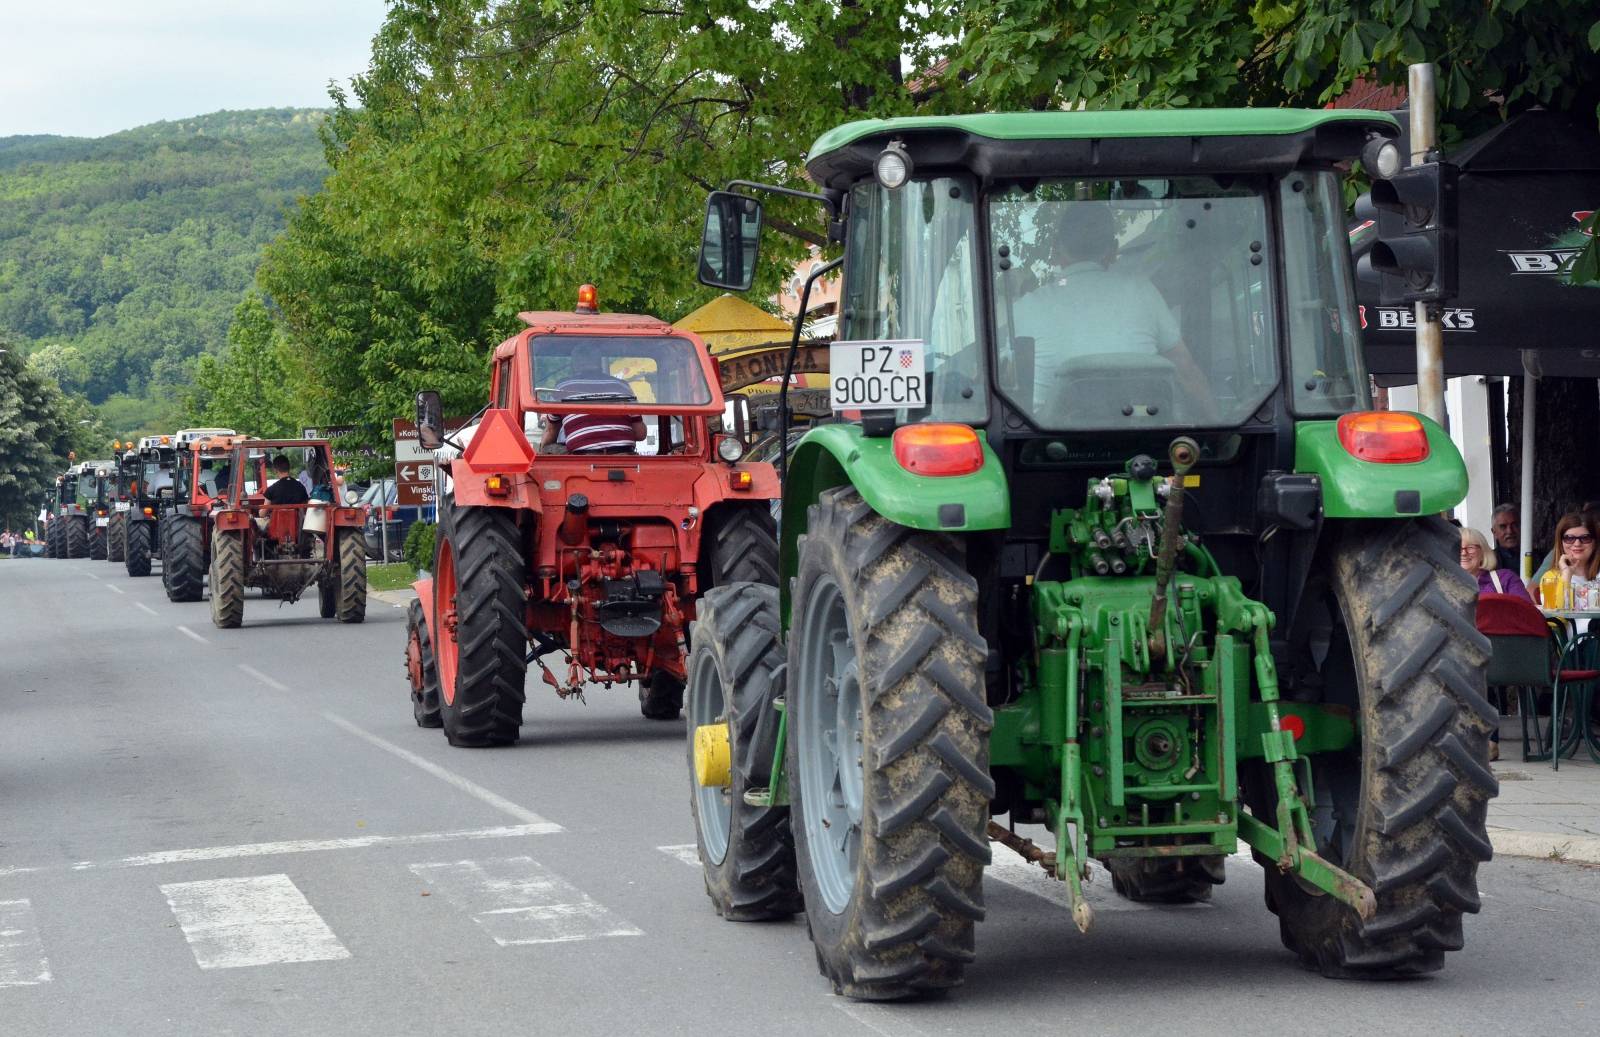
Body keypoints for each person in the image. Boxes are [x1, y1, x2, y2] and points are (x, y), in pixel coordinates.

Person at [1011, 201, 1214, 419]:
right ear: (1114, 250)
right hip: (1143, 439)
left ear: (1055, 249)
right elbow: (1186, 371)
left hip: (1051, 445)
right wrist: (1219, 428)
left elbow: (1011, 379)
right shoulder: (1142, 292)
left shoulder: (1026, 307)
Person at [538, 352, 647, 454]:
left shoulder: (562, 387)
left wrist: (544, 449)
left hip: (582, 458)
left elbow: (550, 430)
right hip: (624, 456)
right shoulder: (622, 386)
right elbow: (640, 434)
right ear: (599, 363)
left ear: (575, 364)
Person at [1461, 527, 1531, 601]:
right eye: (1458, 548)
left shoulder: (1505, 579)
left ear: (1483, 552)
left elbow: (1526, 610)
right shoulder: (1447, 586)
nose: (1464, 553)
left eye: (1470, 547)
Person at [1490, 503, 1520, 573]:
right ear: (1494, 532)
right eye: (1503, 526)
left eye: (1514, 525)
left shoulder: (1539, 558)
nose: (1510, 531)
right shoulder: (1488, 561)